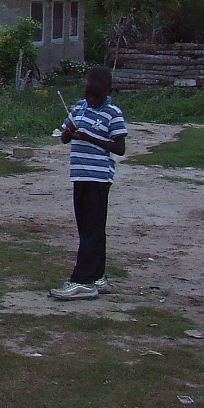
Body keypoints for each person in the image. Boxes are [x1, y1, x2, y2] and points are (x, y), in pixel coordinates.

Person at [50, 66, 127, 301]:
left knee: (92, 229)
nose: (92, 99)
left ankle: (82, 280)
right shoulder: (79, 109)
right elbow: (63, 138)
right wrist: (71, 131)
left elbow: (119, 148)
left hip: (98, 177)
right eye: (88, 94)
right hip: (79, 176)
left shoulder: (113, 113)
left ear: (108, 92)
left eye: (97, 95)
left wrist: (90, 137)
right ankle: (98, 275)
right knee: (87, 228)